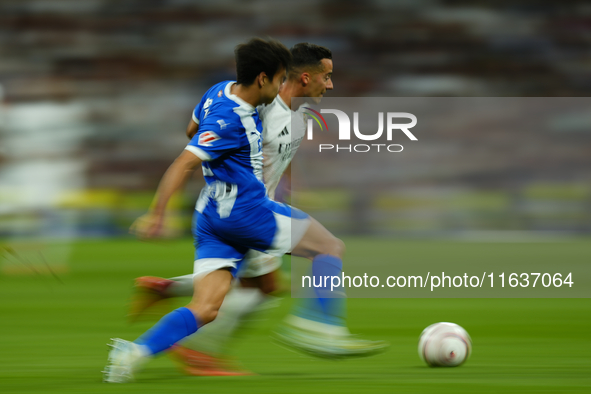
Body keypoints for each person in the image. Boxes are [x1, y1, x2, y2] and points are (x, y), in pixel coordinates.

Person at [127, 43, 387, 377]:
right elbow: (208, 133)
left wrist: (292, 188)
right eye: (328, 76)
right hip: (247, 212)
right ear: (305, 77)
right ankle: (200, 349)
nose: (332, 85)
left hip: (257, 208)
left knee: (259, 286)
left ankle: (168, 295)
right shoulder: (260, 109)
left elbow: (280, 155)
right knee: (276, 278)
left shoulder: (302, 116)